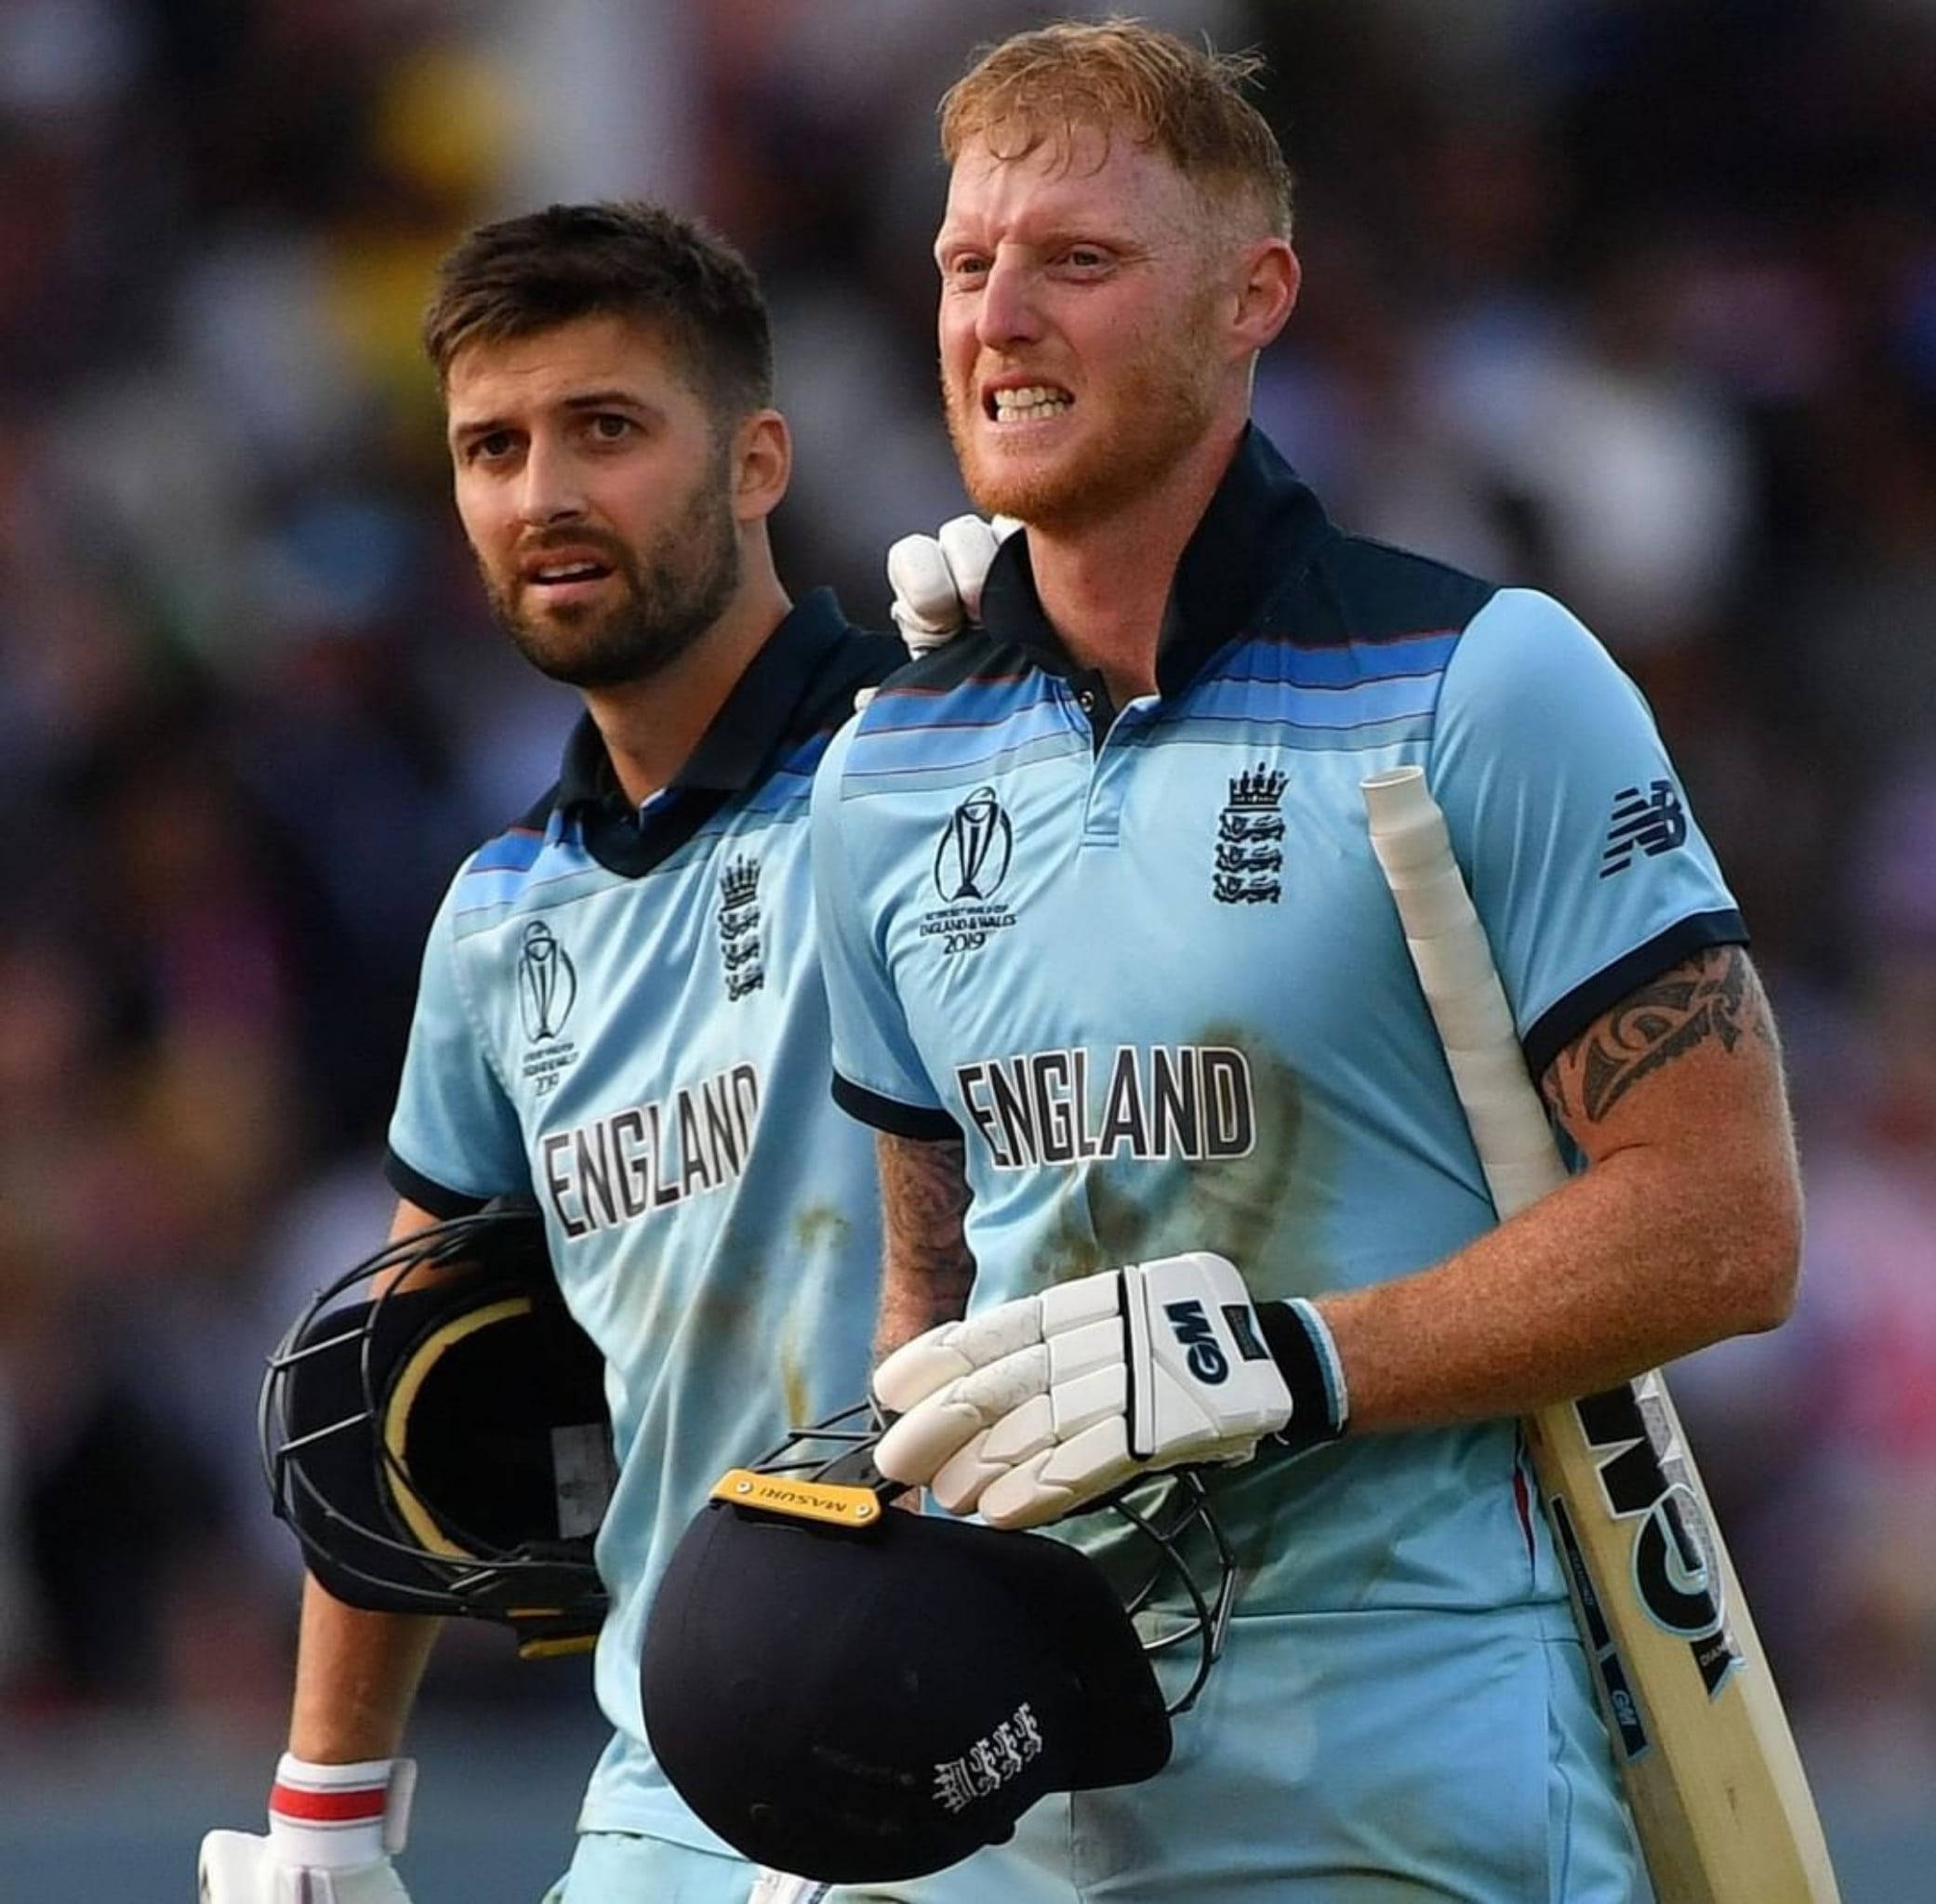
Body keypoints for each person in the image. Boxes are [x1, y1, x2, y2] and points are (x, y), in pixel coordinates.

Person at [806, 20, 1804, 1901]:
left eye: (1077, 261)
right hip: (1036, 1821)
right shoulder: (883, 771)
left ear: (1253, 296)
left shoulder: (1485, 681)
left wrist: (1286, 1358)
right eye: (965, 263)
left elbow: (1724, 1224)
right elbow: (931, 1292)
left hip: (1415, 1789)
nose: (999, 317)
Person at [200, 200, 907, 1904]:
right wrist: (323, 1816)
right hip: (662, 1791)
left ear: (755, 461)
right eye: (492, 449)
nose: (543, 497)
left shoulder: (941, 773)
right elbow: (389, 1378)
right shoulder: (499, 915)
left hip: (976, 1766)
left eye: (606, 429)